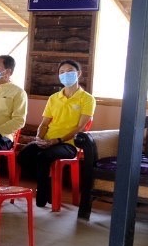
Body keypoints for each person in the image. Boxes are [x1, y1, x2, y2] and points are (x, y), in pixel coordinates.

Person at [18, 60, 95, 209]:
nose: (66, 74)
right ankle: (47, 186)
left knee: (44, 157)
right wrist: (39, 137)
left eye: (70, 71)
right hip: (48, 140)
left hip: (69, 144)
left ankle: (42, 193)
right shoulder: (54, 98)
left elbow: (80, 127)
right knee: (24, 155)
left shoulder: (87, 99)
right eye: (62, 72)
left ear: (78, 73)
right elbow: (44, 123)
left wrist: (57, 140)